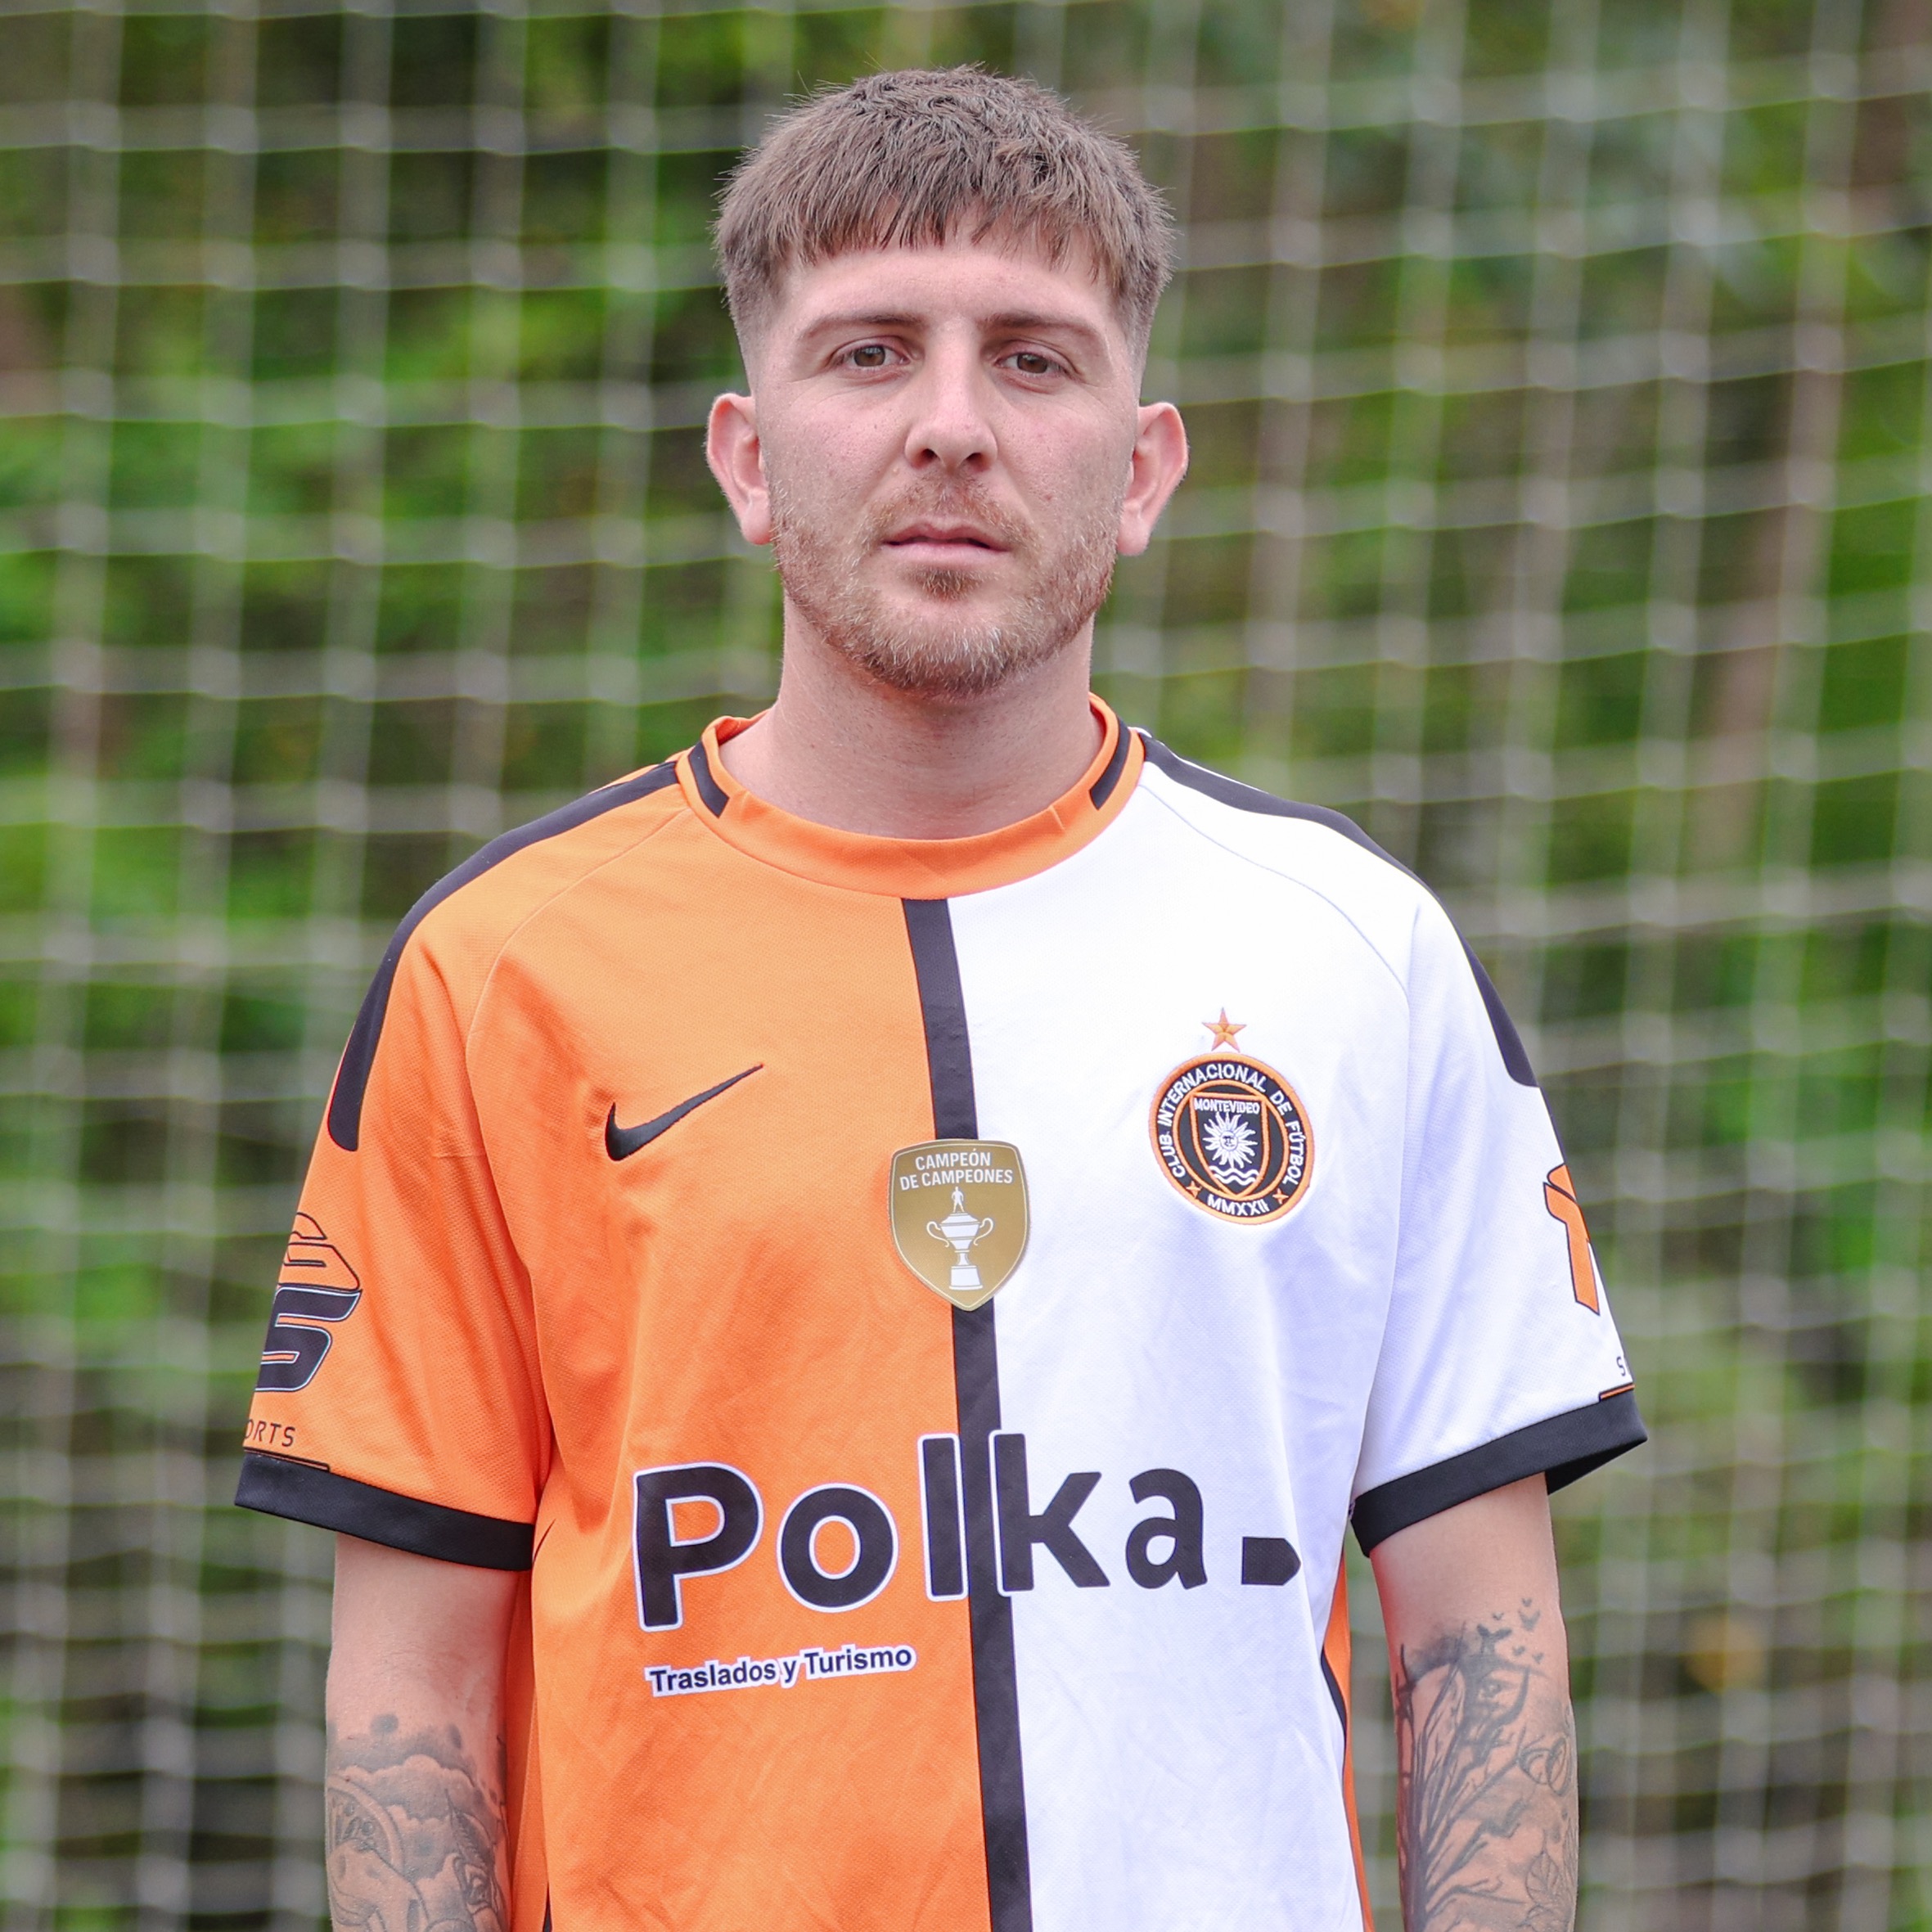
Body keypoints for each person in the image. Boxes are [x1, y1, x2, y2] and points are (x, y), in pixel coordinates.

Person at [237, 66, 1643, 1932]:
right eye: (870, 352)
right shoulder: (501, 969)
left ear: (1141, 471)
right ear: (749, 456)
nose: (952, 428)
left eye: (1035, 360)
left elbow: (1483, 1645)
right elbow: (409, 1693)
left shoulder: (1352, 954)